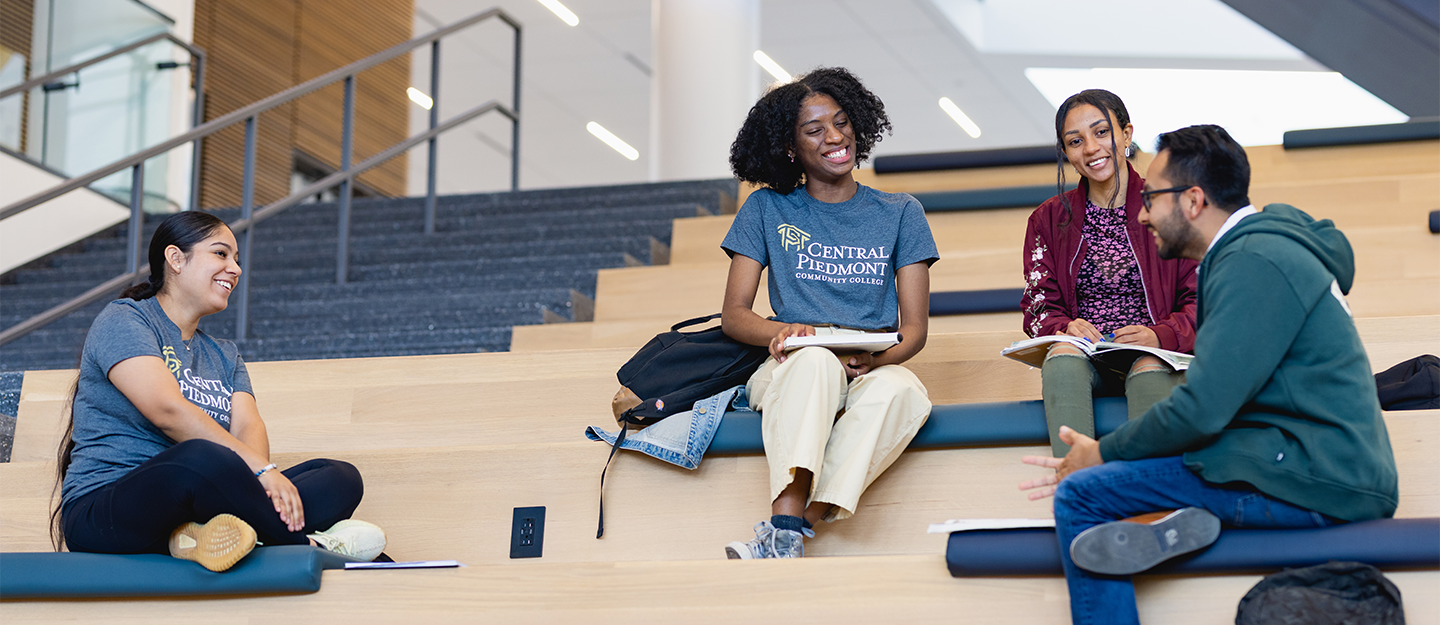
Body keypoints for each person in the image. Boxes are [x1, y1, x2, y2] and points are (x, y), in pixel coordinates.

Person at [1019, 125, 1398, 625]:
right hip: (1298, 459)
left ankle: (1183, 516)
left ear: (1194, 200)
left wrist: (1100, 453)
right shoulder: (1251, 252)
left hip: (1317, 473)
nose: (1141, 212)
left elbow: (1203, 407)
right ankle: (1186, 516)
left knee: (1081, 492)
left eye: (1152, 197)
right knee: (1165, 466)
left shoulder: (1251, 261)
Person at [53, 211, 386, 572]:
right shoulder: (125, 320)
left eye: (237, 260)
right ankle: (310, 545)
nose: (236, 269)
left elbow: (248, 426)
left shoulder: (224, 353)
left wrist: (258, 483)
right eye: (221, 254)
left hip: (198, 505)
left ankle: (204, 537)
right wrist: (260, 472)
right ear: (176, 259)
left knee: (338, 476)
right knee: (200, 458)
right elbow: (167, 410)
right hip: (105, 510)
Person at [719, 67, 938, 559]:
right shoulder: (765, 209)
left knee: (907, 392)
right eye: (815, 130)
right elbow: (734, 314)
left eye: (841, 122)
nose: (835, 137)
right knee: (816, 361)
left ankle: (788, 531)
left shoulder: (901, 211)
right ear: (790, 148)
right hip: (788, 363)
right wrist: (786, 332)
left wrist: (875, 363)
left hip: (866, 364)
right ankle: (784, 517)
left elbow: (915, 331)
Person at [1022, 89, 1198, 457]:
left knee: (1148, 365)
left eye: (1101, 132)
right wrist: (1064, 328)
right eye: (1075, 141)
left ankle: (1150, 500)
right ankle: (1076, 487)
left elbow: (1205, 301)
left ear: (1127, 135)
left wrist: (1159, 334)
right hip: (1091, 355)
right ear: (1066, 152)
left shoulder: (1171, 206)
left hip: (1159, 352)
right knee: (1061, 357)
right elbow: (1039, 308)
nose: (1090, 148)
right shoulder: (1047, 220)